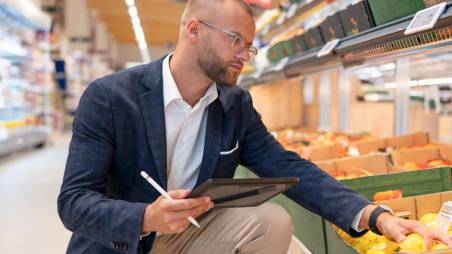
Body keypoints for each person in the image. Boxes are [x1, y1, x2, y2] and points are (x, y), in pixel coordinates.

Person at [57, 0, 452, 253]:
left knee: (272, 221)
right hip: (123, 241)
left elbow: (288, 166)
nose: (245, 55)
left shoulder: (234, 103)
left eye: (250, 46)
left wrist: (375, 216)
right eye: (236, 41)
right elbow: (73, 202)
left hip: (190, 235)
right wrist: (147, 217)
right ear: (194, 30)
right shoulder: (110, 97)